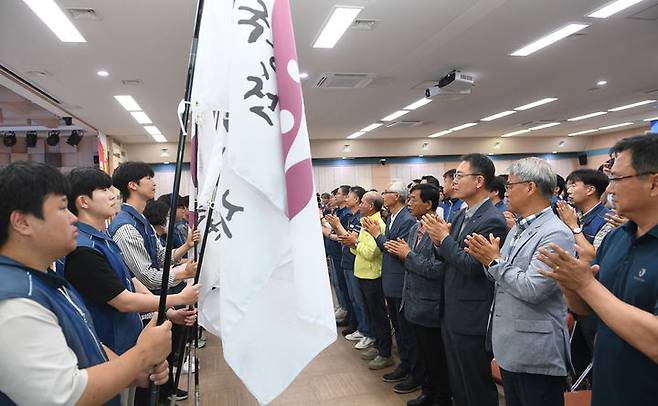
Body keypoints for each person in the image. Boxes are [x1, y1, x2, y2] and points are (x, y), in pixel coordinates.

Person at [0, 161, 171, 406]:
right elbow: (67, 395)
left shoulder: (44, 279)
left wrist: (131, 372)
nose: (72, 218)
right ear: (22, 222)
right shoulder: (14, 301)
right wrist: (142, 355)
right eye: (61, 209)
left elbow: (88, 340)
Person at [537, 134, 658, 406]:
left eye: (617, 179)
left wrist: (586, 285)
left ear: (654, 182)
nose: (610, 190)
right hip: (609, 388)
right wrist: (569, 282)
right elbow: (588, 308)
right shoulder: (616, 238)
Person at [465, 157, 575, 406]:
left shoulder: (555, 233)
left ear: (530, 187)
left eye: (511, 185)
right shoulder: (518, 227)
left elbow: (533, 288)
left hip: (535, 351)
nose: (506, 191)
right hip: (511, 344)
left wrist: (493, 262)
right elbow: (501, 276)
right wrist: (488, 261)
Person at [109, 161, 199, 402]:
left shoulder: (142, 221)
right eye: (149, 178)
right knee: (146, 385)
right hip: (144, 312)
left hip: (156, 306)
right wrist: (181, 273)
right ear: (133, 185)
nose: (154, 182)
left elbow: (160, 256)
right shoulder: (126, 227)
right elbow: (146, 276)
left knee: (159, 373)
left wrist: (186, 247)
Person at [422, 154, 508, 406]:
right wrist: (439, 240)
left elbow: (472, 265)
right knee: (458, 380)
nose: (454, 181)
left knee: (475, 384)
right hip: (451, 309)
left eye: (460, 176)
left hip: (472, 313)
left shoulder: (491, 219)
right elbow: (449, 256)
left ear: (479, 181)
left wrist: (444, 240)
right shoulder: (462, 214)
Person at [385, 183, 452, 406]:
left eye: (414, 199)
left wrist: (407, 255)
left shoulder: (440, 231)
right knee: (423, 355)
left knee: (436, 358)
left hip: (430, 307)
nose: (409, 203)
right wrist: (406, 255)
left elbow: (437, 270)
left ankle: (441, 398)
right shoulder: (415, 228)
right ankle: (428, 392)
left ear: (429, 204)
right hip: (413, 303)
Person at [363, 181, 421, 393]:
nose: (383, 195)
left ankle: (414, 373)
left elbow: (395, 248)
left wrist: (377, 235)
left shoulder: (406, 219)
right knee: (399, 329)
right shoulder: (393, 217)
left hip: (399, 282)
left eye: (386, 192)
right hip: (391, 280)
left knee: (406, 332)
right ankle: (404, 365)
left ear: (396, 196)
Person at [340, 191, 392, 370]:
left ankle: (385, 353)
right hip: (362, 274)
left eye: (362, 202)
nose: (359, 205)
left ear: (370, 206)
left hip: (373, 277)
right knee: (370, 314)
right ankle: (377, 346)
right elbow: (358, 250)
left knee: (379, 316)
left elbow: (371, 253)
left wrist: (355, 243)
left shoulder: (377, 224)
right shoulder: (365, 222)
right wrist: (353, 243)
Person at [325, 186, 372, 349]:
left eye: (348, 196)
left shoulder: (360, 218)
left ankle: (366, 331)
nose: (345, 199)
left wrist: (334, 228)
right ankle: (360, 326)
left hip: (354, 262)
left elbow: (349, 238)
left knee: (359, 299)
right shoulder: (352, 216)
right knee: (352, 297)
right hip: (347, 259)